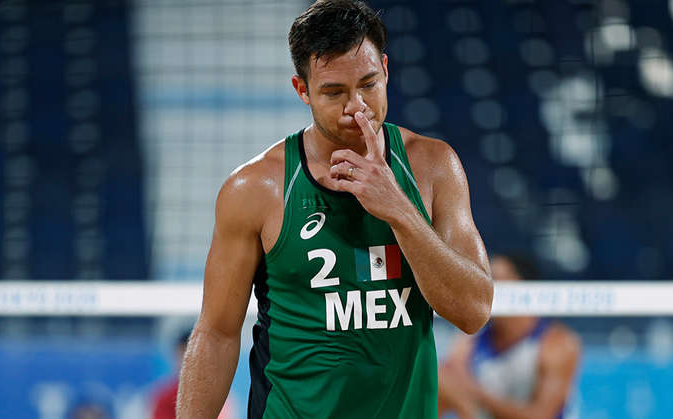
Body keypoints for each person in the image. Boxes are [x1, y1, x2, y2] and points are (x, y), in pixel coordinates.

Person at [176, 1, 494, 417]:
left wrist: (398, 208)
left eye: (368, 84)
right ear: (302, 89)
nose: (356, 106)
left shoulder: (433, 167)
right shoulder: (256, 188)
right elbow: (217, 333)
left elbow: (473, 312)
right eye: (334, 92)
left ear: (385, 69)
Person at [438, 254, 582, 419]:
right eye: (484, 278)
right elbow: (449, 383)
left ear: (522, 289)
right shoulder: (469, 340)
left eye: (496, 279)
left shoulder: (557, 343)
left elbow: (542, 416)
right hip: (481, 410)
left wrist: (474, 393)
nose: (485, 286)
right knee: (435, 378)